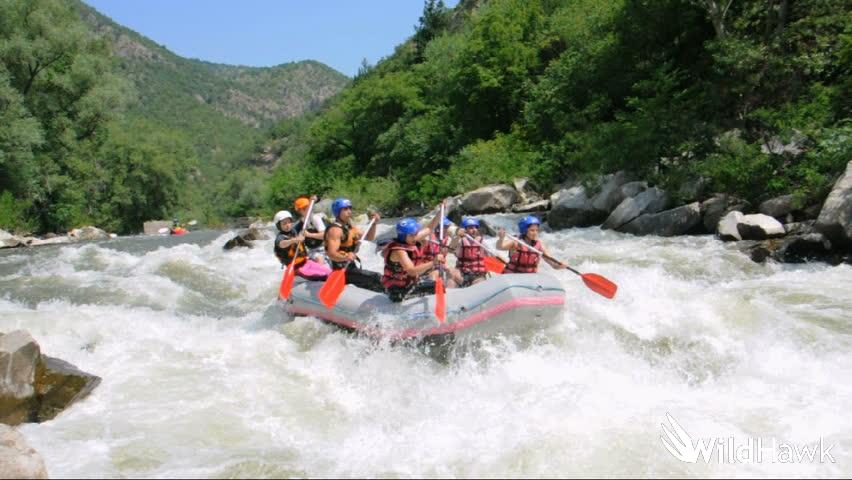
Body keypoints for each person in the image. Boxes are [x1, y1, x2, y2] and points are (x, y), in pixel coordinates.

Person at [324, 197, 383, 292]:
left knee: (376, 279)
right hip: (341, 271)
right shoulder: (335, 231)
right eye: (345, 209)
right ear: (338, 212)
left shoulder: (350, 227)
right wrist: (346, 256)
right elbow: (331, 254)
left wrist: (373, 224)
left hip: (351, 267)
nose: (349, 211)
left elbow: (369, 237)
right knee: (376, 277)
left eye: (350, 208)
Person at [382, 218, 446, 302]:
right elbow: (411, 271)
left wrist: (440, 212)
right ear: (403, 236)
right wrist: (433, 262)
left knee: (435, 280)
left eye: (416, 234)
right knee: (437, 287)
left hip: (408, 284)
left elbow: (429, 229)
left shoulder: (410, 239)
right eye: (412, 235)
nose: (415, 237)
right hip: (397, 291)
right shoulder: (399, 251)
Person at [497, 215, 564, 273]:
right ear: (524, 230)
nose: (535, 233)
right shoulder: (516, 241)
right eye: (532, 230)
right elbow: (500, 247)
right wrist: (501, 238)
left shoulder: (540, 245)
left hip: (530, 279)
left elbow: (553, 264)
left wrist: (559, 266)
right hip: (513, 276)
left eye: (537, 230)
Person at [417, 215, 462, 287]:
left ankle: (451, 291)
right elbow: (419, 239)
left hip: (440, 265)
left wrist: (458, 236)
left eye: (447, 226)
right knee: (435, 274)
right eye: (445, 227)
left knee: (453, 272)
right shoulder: (429, 237)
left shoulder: (446, 238)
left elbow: (451, 249)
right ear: (438, 228)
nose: (447, 229)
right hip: (427, 266)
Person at [451, 217, 489, 286]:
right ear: (465, 230)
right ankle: (449, 294)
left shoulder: (482, 242)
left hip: (478, 275)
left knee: (479, 283)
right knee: (451, 275)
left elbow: (491, 256)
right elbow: (451, 248)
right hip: (462, 274)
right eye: (471, 228)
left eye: (475, 227)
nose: (474, 230)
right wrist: (458, 236)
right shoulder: (460, 241)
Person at [293, 195, 326, 263]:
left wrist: (309, 235)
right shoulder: (302, 221)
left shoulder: (315, 218)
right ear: (299, 211)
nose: (306, 210)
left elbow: (325, 235)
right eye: (303, 209)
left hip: (323, 248)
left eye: (306, 208)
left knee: (319, 259)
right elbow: (293, 233)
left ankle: (322, 272)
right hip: (310, 250)